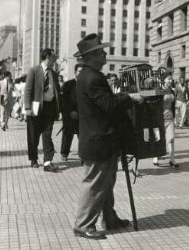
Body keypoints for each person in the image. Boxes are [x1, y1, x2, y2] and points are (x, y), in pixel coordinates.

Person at [73, 33, 142, 240]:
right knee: (95, 183)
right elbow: (109, 104)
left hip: (100, 140)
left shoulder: (87, 75)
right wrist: (129, 97)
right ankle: (83, 224)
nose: (105, 55)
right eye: (101, 52)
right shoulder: (93, 77)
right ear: (92, 55)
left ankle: (109, 218)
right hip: (99, 141)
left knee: (106, 183)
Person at [24, 48, 61, 171]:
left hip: (49, 108)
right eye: (53, 58)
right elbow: (28, 90)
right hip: (35, 107)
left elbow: (57, 93)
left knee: (47, 134)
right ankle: (33, 158)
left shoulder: (54, 74)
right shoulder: (34, 70)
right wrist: (27, 108)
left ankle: (47, 162)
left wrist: (58, 110)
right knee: (33, 135)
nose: (55, 61)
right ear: (47, 57)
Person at [153, 72, 179, 168]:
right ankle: (155, 157)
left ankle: (172, 160)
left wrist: (175, 118)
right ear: (164, 80)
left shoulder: (172, 91)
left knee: (171, 139)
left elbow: (173, 105)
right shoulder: (159, 91)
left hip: (170, 118)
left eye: (171, 79)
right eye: (168, 79)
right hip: (160, 118)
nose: (170, 81)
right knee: (158, 139)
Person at [60, 63, 84, 161]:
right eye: (79, 71)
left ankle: (83, 154)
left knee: (83, 136)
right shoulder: (68, 84)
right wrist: (70, 112)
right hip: (70, 115)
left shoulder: (87, 85)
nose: (81, 73)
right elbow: (64, 101)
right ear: (75, 72)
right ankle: (64, 153)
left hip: (83, 115)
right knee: (67, 135)